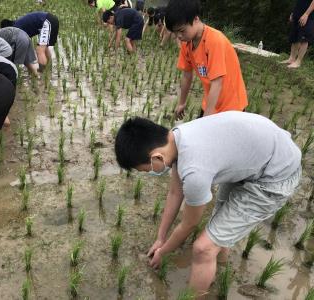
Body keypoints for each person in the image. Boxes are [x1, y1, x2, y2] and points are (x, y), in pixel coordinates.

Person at [114, 113, 301, 298]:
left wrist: (164, 253)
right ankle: (220, 267)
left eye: (146, 170)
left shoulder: (195, 172)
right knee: (219, 223)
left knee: (203, 248)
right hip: (256, 156)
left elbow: (189, 224)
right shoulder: (177, 137)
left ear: (156, 157)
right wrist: (161, 238)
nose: (148, 173)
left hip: (276, 175)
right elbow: (175, 193)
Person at [165, 0, 247, 118]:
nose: (179, 36)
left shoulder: (214, 41)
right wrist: (182, 103)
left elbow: (217, 83)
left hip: (232, 107)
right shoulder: (186, 43)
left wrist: (207, 120)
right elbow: (187, 75)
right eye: (175, 32)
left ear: (196, 19)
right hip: (210, 102)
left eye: (182, 30)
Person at [281, 0, 314, 68]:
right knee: (295, 36)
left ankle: (298, 62)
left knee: (304, 39)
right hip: (298, 12)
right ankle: (291, 59)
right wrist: (294, 12)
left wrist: (306, 14)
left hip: (309, 16)